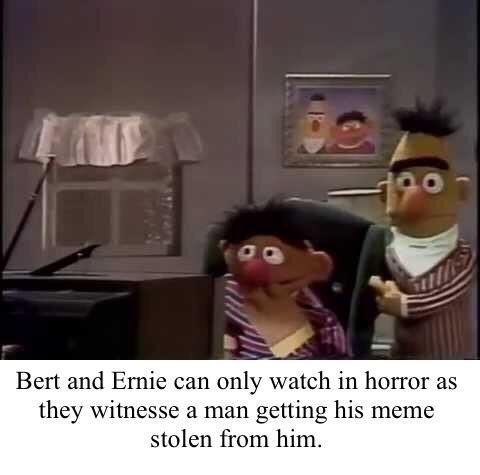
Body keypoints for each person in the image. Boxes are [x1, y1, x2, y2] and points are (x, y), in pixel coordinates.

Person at [349, 98, 476, 359]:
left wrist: (406, 305)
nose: (415, 195)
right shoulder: (388, 251)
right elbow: (364, 305)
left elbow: (447, 294)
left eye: (431, 183)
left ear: (460, 191)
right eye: (404, 182)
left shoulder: (463, 257)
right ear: (385, 193)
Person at [219, 199, 349, 359]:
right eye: (247, 252)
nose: (256, 266)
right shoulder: (219, 299)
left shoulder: (321, 320)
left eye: (271, 254)